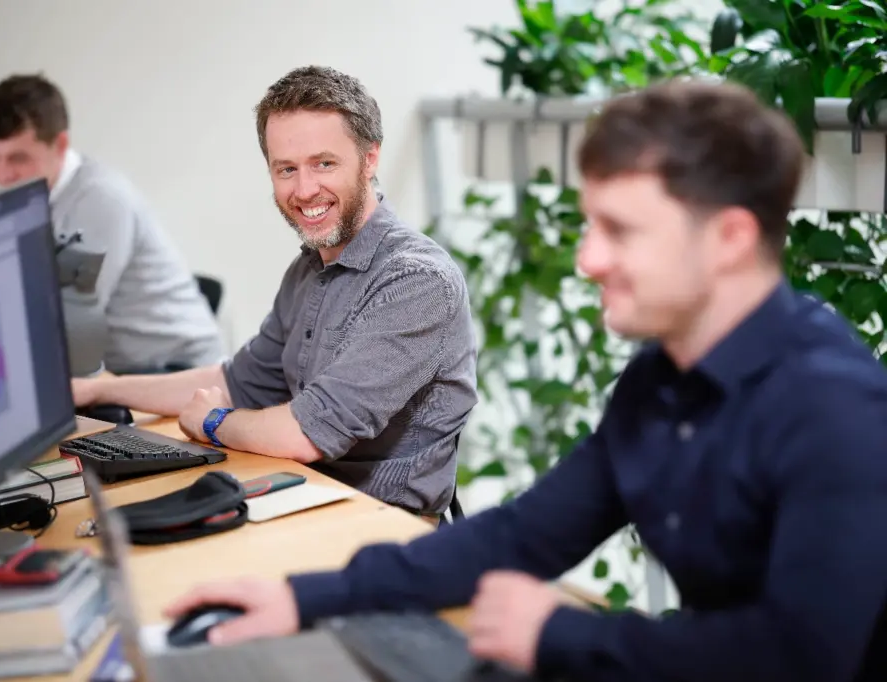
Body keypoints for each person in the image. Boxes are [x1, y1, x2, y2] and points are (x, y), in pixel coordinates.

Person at [159, 80, 887, 682]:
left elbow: (803, 657)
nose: (588, 260)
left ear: (728, 239)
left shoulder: (833, 408)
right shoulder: (659, 383)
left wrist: (560, 635)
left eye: (620, 231)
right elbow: (518, 535)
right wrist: (303, 597)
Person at [72, 66, 478, 518]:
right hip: (312, 500)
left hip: (385, 530)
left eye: (324, 163)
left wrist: (211, 422)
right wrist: (99, 390)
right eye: (287, 169)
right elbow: (232, 382)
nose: (304, 190)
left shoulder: (416, 282)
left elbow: (304, 433)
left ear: (370, 159)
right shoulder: (308, 269)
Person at [0, 73, 225, 374]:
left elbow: (69, 327)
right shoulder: (25, 201)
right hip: (125, 371)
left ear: (60, 144)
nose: (2, 176)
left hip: (178, 372)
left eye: (18, 158)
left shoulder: (99, 199)